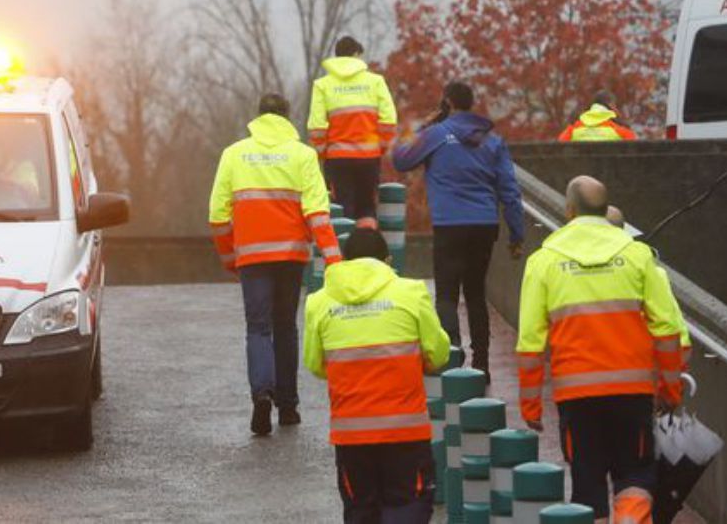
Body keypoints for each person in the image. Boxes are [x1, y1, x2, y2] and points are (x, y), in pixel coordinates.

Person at [516, 176, 688, 524]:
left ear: (568, 210)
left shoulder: (544, 261)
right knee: (636, 477)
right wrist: (671, 390)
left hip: (576, 396)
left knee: (586, 482)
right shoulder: (637, 256)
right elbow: (668, 330)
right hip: (633, 393)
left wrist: (531, 404)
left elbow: (531, 342)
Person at [210, 93, 343, 436]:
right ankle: (288, 406)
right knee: (286, 326)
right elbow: (317, 212)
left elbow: (218, 215)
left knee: (258, 327)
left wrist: (230, 258)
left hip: (252, 258)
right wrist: (334, 260)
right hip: (290, 256)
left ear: (258, 117)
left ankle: (261, 396)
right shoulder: (303, 156)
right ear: (286, 117)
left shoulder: (233, 155)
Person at [305, 226, 451, 523]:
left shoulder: (319, 303)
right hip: (405, 432)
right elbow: (438, 354)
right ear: (387, 260)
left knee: (361, 510)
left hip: (351, 435)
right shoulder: (411, 293)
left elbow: (316, 364)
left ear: (344, 260)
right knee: (406, 505)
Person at [391, 81, 525, 381]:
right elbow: (510, 192)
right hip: (484, 224)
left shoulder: (435, 135)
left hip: (449, 225)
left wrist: (421, 126)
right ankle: (482, 364)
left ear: (447, 103)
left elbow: (400, 159)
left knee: (447, 295)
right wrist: (516, 235)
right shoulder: (492, 140)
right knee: (476, 294)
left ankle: (452, 358)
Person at [308, 36, 398, 221]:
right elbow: (388, 120)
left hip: (338, 159)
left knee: (342, 210)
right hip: (369, 158)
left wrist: (323, 153)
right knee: (367, 208)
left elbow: (317, 126)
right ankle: (367, 247)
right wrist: (380, 147)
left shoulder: (322, 85)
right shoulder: (375, 82)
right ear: (357, 54)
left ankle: (344, 248)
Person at [559, 93, 638, 142]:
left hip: (581, 168)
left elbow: (560, 145)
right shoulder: (620, 130)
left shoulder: (574, 128)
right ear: (611, 105)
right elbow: (634, 146)